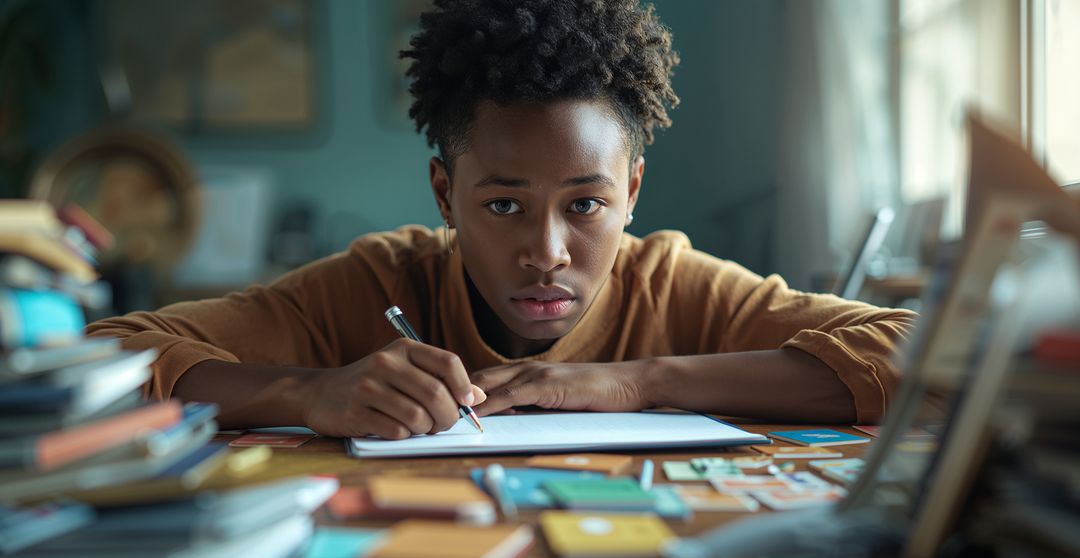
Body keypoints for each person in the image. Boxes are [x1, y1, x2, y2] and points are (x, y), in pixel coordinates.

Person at [86, 0, 915, 440]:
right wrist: (310, 393)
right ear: (446, 196)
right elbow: (101, 356)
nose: (546, 252)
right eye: (504, 205)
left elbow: (927, 349)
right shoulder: (379, 284)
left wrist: (643, 380)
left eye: (586, 204)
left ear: (633, 191)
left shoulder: (672, 287)